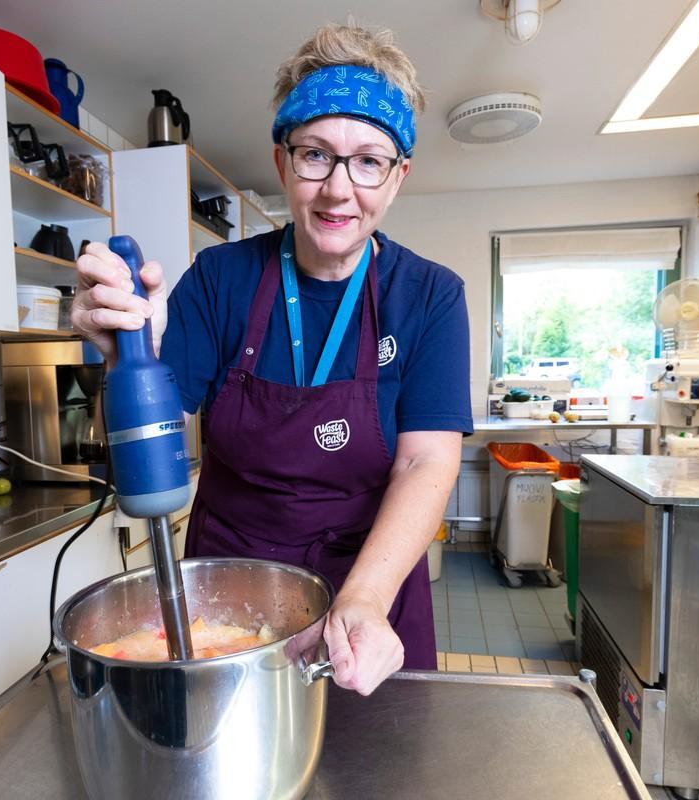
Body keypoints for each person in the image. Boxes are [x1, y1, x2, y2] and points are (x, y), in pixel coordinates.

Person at [71, 23, 472, 694]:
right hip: (229, 598)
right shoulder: (219, 279)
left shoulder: (430, 296)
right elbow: (158, 428)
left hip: (368, 590)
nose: (339, 190)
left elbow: (426, 459)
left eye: (369, 160)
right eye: (316, 154)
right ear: (284, 163)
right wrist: (126, 357)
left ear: (398, 176)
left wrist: (365, 598)